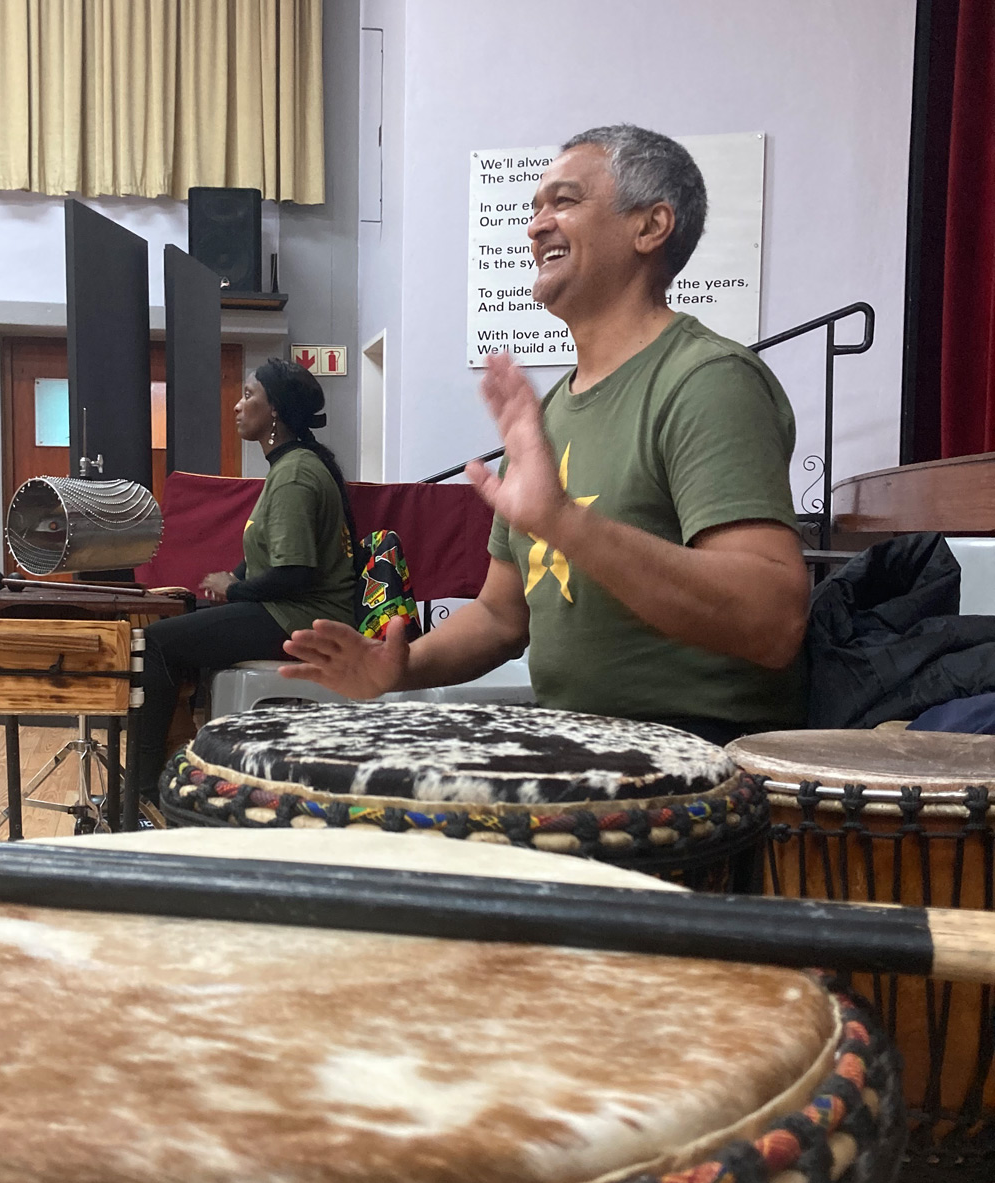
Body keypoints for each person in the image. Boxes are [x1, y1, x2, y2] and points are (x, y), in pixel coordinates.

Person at [283, 124, 810, 746]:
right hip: (577, 740)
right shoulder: (550, 411)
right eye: (534, 208)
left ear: (650, 227)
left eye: (564, 201)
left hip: (698, 749)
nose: (536, 227)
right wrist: (397, 669)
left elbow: (772, 621)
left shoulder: (707, 380)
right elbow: (500, 616)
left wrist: (564, 521)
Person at [139, 358, 357, 797]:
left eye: (248, 395)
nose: (237, 406)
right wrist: (230, 582)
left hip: (304, 618)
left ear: (274, 409)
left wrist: (234, 588)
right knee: (181, 630)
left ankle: (142, 791)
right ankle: (190, 759)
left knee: (156, 643)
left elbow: (295, 573)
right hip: (293, 611)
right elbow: (267, 554)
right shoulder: (291, 465)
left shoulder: (294, 474)